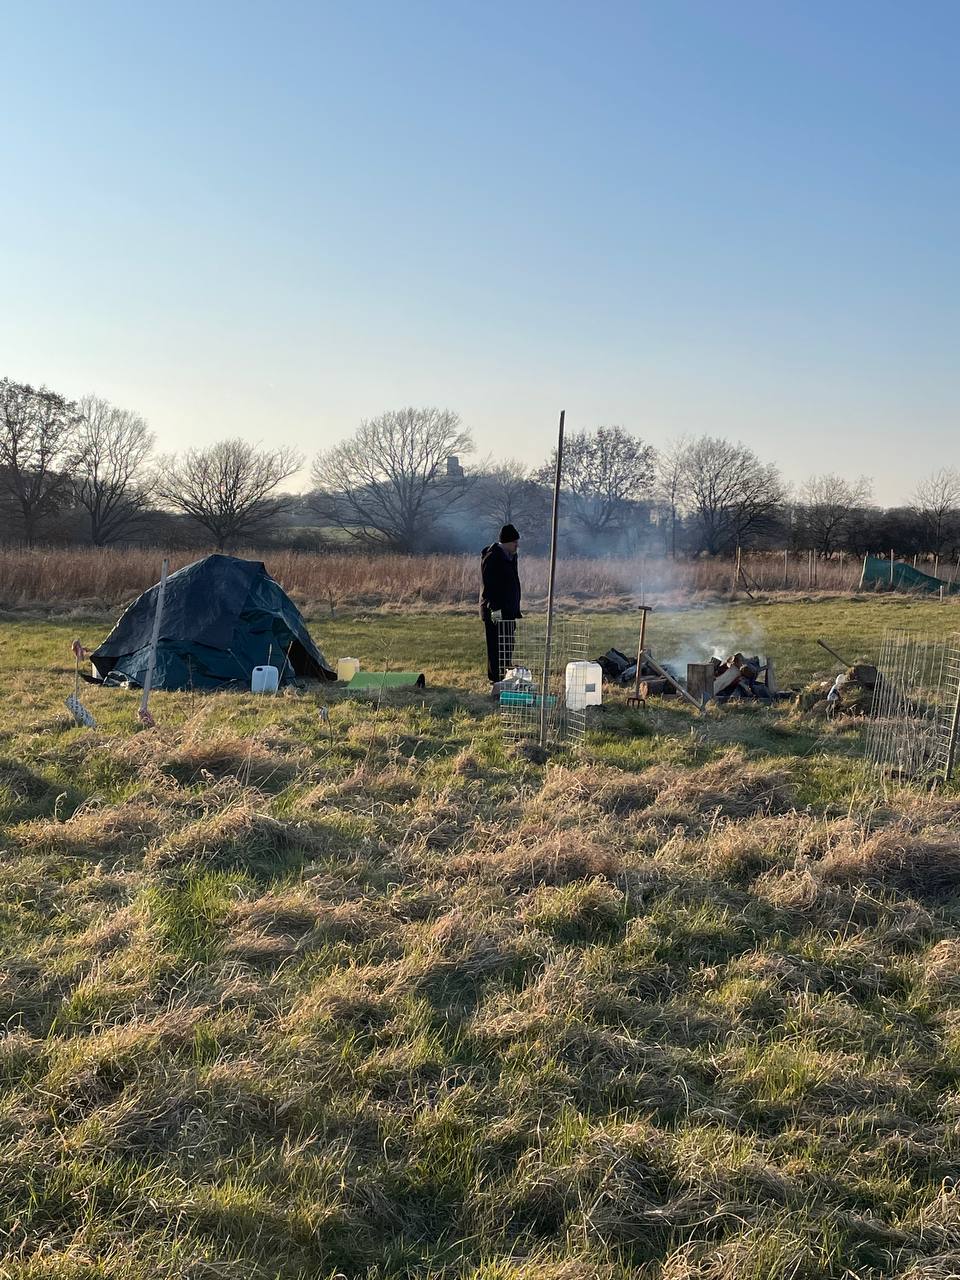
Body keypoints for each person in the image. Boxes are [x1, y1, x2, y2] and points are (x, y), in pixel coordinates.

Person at [480, 524, 522, 685]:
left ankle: (505, 674)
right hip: (495, 610)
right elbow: (489, 585)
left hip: (509, 610)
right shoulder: (492, 557)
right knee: (495, 646)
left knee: (507, 643)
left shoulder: (511, 556)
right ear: (505, 542)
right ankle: (495, 679)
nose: (517, 545)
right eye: (514, 542)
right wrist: (494, 608)